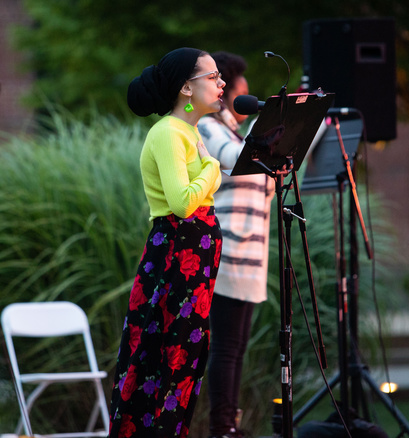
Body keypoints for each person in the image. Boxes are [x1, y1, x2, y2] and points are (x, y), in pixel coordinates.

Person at [109, 47, 225, 438]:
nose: (221, 83)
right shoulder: (169, 133)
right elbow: (182, 203)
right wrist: (212, 167)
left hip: (193, 254)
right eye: (212, 77)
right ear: (187, 88)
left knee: (186, 359)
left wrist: (208, 167)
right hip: (177, 252)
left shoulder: (188, 131)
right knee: (167, 357)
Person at [197, 51, 275, 438]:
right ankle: (222, 427)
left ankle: (230, 423)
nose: (244, 97)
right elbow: (236, 159)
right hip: (228, 254)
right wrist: (270, 122)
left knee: (237, 346)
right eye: (240, 92)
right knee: (226, 347)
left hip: (251, 257)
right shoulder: (210, 128)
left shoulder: (235, 132)